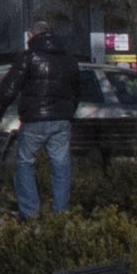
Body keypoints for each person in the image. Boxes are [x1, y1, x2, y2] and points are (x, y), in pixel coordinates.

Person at [12, 11, 84, 215]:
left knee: (25, 161)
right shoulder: (69, 59)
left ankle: (30, 211)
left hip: (34, 118)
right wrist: (70, 110)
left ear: (33, 36)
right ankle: (60, 211)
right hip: (61, 119)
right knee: (61, 163)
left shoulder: (28, 57)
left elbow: (11, 87)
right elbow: (77, 89)